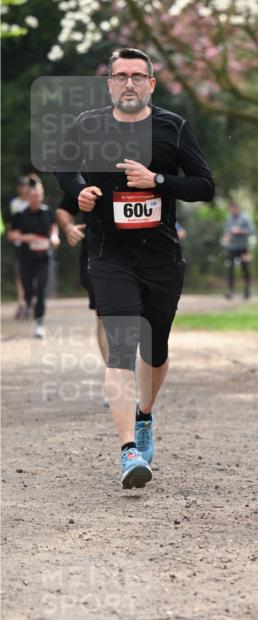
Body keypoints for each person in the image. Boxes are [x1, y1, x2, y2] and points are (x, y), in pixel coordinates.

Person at [56, 47, 215, 490]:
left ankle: (145, 415)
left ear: (151, 83)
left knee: (156, 348)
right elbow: (64, 167)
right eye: (120, 75)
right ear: (109, 83)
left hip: (161, 257)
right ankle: (128, 451)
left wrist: (158, 181)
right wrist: (81, 190)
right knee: (123, 348)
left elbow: (205, 185)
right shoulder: (88, 125)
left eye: (137, 76)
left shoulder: (172, 127)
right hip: (110, 256)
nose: (129, 83)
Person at [55, 194, 110, 385]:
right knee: (105, 318)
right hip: (95, 256)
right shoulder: (87, 176)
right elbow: (63, 210)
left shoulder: (138, 173)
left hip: (139, 255)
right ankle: (116, 378)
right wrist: (68, 227)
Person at [8, 179, 60, 338]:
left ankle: (39, 325)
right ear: (29, 197)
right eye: (33, 196)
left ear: (41, 197)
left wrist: (54, 237)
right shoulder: (20, 214)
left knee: (41, 290)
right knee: (29, 290)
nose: (36, 199)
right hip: (26, 258)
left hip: (43, 257)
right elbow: (11, 235)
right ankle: (29, 301)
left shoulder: (47, 212)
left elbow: (53, 228)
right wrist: (27, 238)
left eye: (39, 196)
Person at [9, 175, 32, 318]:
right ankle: (22, 302)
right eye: (21, 186)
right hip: (19, 243)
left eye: (25, 186)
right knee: (20, 274)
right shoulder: (15, 204)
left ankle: (30, 302)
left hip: (33, 244)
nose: (23, 188)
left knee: (32, 274)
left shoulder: (33, 201)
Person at [223, 201, 254, 300]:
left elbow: (251, 230)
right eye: (230, 210)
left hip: (244, 248)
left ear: (237, 209)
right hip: (232, 247)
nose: (231, 211)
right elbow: (227, 230)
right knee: (230, 269)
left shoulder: (245, 218)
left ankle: (247, 291)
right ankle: (230, 291)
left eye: (232, 209)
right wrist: (226, 236)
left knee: (245, 269)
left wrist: (240, 231)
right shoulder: (229, 218)